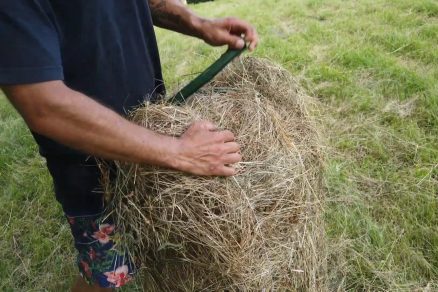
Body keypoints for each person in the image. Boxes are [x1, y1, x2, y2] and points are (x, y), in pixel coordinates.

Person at [0, 0, 258, 291]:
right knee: (109, 273)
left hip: (153, 137)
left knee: (149, 250)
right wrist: (179, 153)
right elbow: (42, 104)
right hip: (93, 168)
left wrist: (196, 23)